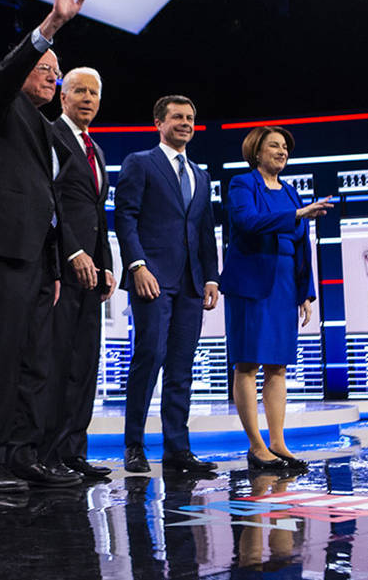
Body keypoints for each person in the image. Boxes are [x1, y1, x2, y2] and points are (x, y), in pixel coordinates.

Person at [0, 0, 89, 493]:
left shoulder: (45, 128)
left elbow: (51, 203)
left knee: (36, 360)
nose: (53, 77)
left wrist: (54, 267)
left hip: (38, 257)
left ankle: (22, 454)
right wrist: (52, 24)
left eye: (57, 73)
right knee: (8, 352)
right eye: (45, 68)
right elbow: (8, 72)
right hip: (2, 244)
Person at [113, 95, 220, 475]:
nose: (185, 123)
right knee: (149, 358)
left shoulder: (201, 176)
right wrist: (137, 266)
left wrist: (211, 277)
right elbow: (125, 217)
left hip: (191, 284)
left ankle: (177, 450)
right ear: (159, 123)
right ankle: (134, 446)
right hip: (152, 279)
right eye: (177, 117)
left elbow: (205, 231)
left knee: (181, 367)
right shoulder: (140, 162)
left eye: (190, 117)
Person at [219, 126, 332, 472]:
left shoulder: (291, 192)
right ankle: (256, 446)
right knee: (248, 363)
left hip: (284, 284)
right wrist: (296, 215)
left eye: (285, 147)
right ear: (257, 151)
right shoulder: (242, 184)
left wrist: (305, 292)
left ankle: (278, 443)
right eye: (274, 146)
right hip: (251, 282)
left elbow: (302, 245)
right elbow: (247, 222)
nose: (282, 152)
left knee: (278, 365)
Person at [42, 67, 115, 480]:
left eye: (94, 92)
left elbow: (97, 214)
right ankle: (48, 454)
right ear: (63, 96)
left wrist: (107, 263)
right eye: (80, 91)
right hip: (60, 266)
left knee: (85, 363)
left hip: (92, 274)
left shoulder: (96, 149)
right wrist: (72, 251)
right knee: (58, 362)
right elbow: (51, 200)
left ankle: (74, 453)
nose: (88, 98)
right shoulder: (50, 135)